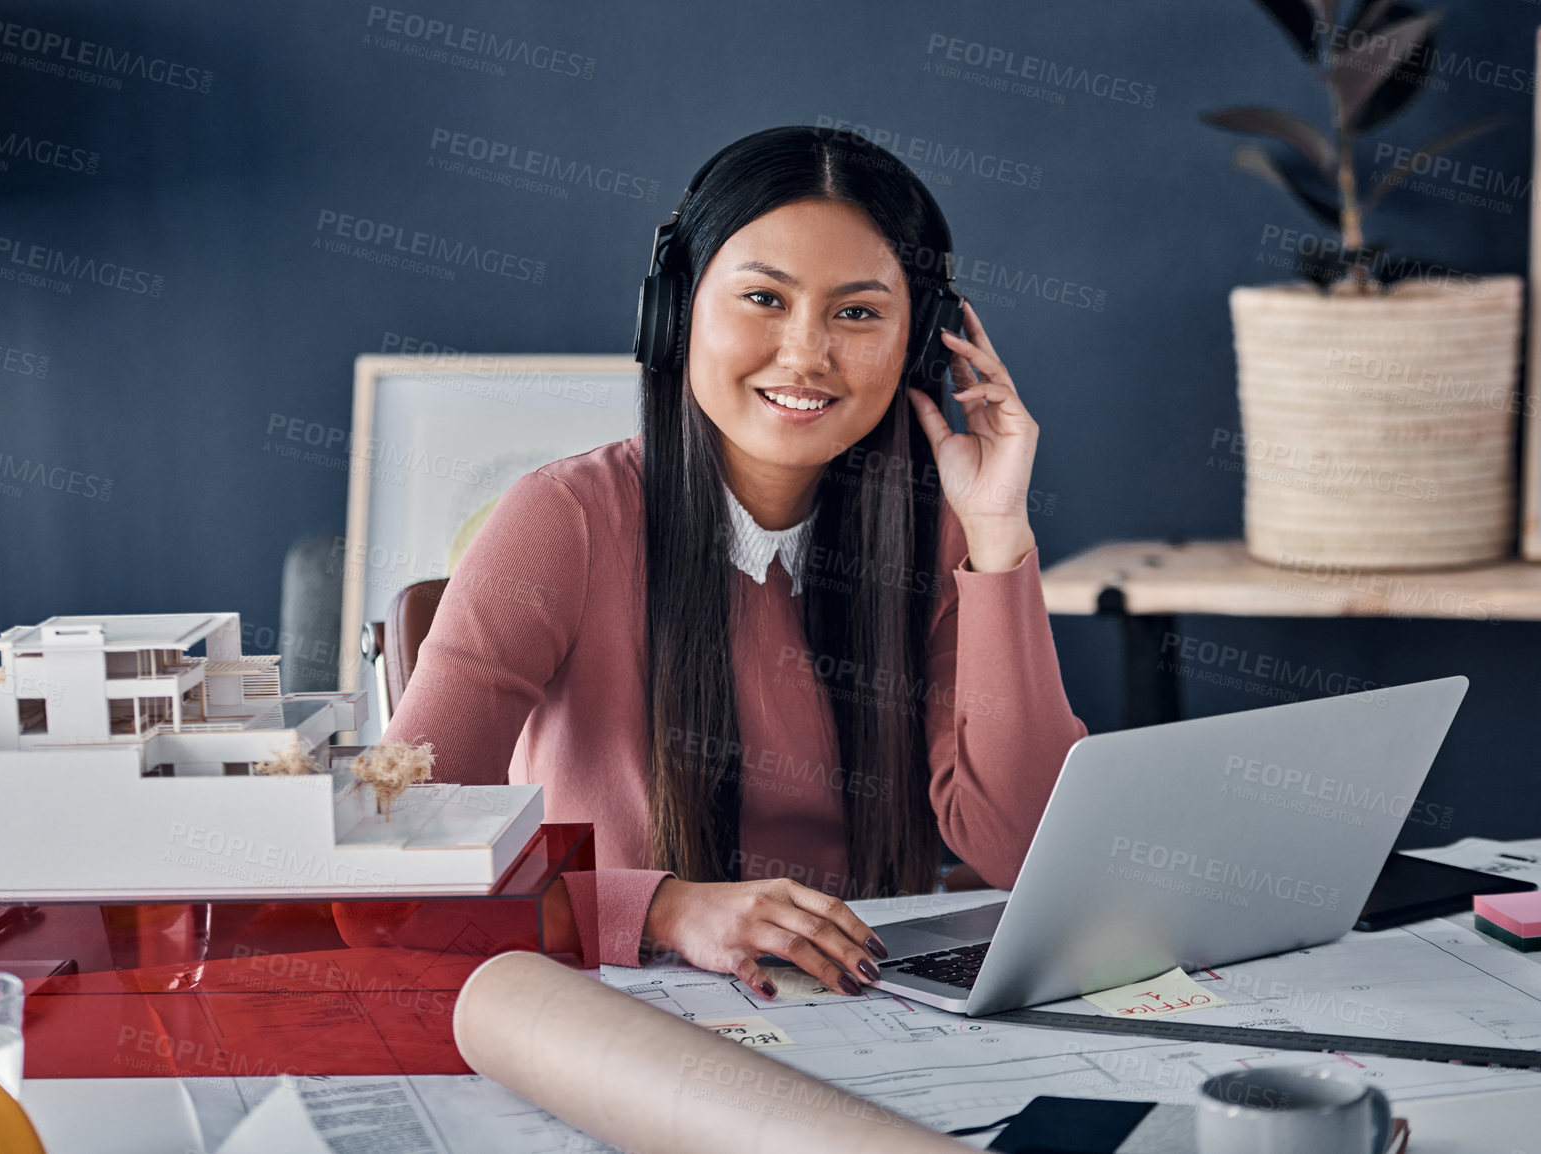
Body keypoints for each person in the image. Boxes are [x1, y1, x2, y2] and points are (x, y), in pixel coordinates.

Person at [383, 125, 1086, 1001]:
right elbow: (397, 869)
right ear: (674, 313)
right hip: (613, 1002)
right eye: (764, 298)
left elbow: (1025, 849)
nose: (805, 355)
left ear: (917, 344)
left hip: (863, 1015)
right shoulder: (561, 521)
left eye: (858, 312)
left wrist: (997, 532)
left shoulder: (941, 539)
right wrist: (662, 911)